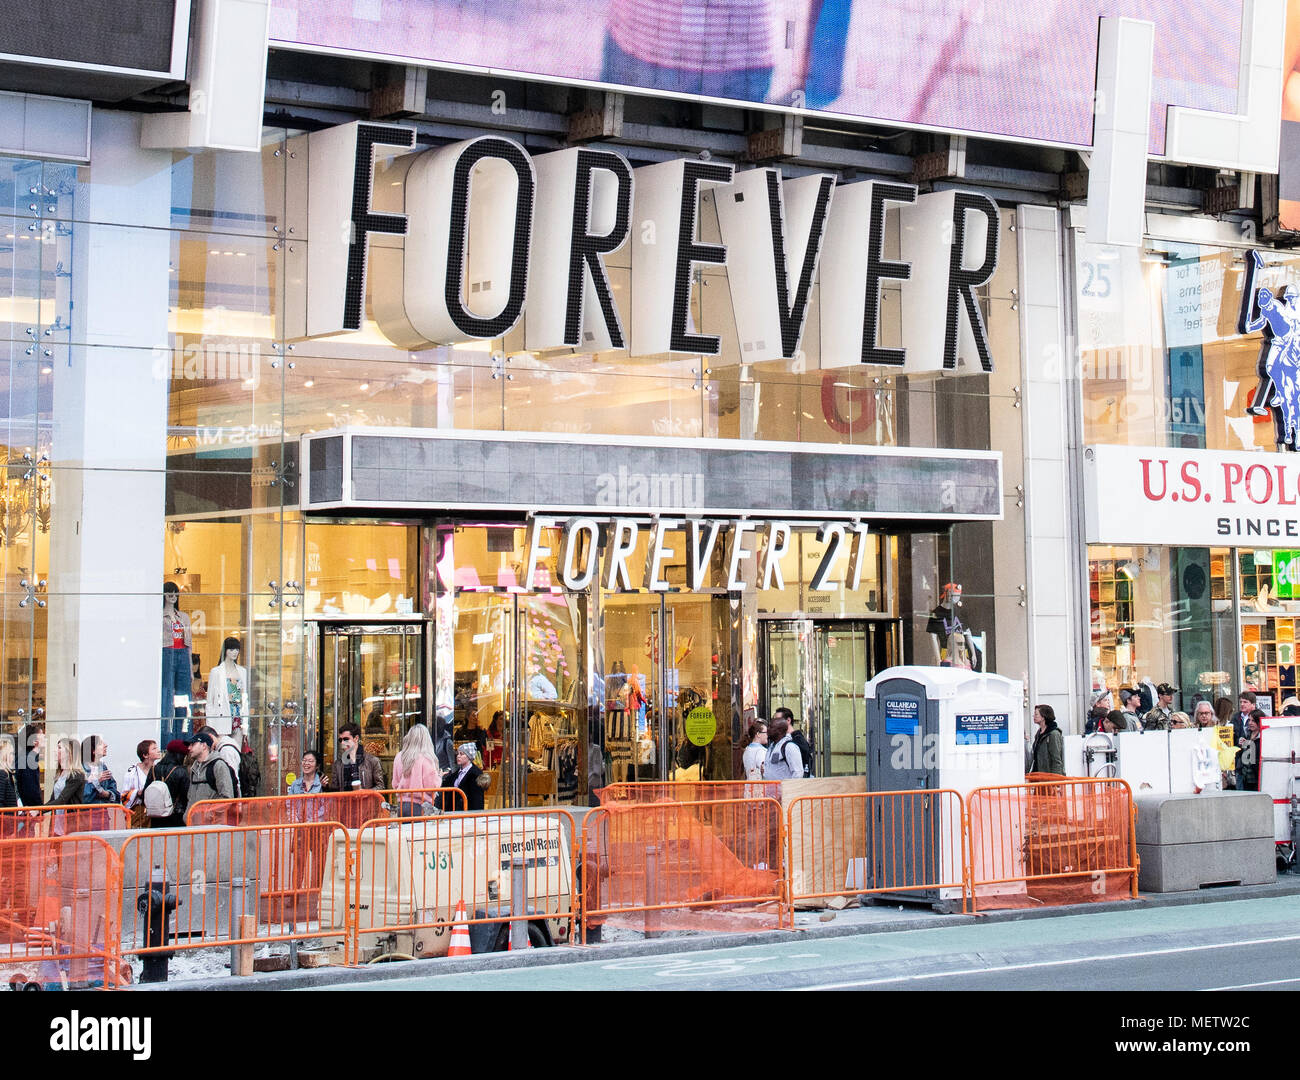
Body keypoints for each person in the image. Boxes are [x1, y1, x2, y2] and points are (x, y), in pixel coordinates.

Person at [391, 724, 443, 816]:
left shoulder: (399, 756)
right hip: (421, 807)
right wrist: (439, 777)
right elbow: (432, 786)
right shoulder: (426, 758)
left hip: (401, 806)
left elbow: (395, 783)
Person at [145, 739, 190, 828]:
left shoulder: (154, 769)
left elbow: (144, 792)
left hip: (155, 816)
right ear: (181, 756)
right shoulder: (181, 771)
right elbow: (186, 795)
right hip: (175, 816)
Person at [329, 723, 385, 791]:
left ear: (356, 738)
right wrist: (325, 786)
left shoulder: (372, 761)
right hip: (345, 800)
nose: (342, 743)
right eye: (340, 740)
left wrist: (365, 793)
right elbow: (334, 790)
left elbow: (380, 786)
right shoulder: (338, 764)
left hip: (365, 800)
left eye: (346, 739)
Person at [187, 729, 236, 805]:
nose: (189, 748)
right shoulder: (194, 768)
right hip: (193, 816)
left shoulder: (218, 765)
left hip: (211, 816)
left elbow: (227, 798)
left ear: (204, 746)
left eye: (193, 744)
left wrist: (209, 813)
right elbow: (190, 797)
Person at [121, 739, 161, 826]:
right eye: (154, 748)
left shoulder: (158, 770)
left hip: (155, 813)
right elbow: (123, 795)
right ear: (145, 755)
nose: (158, 750)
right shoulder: (132, 772)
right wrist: (137, 793)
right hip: (138, 813)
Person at [440, 742, 485, 812]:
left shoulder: (476, 774)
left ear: (469, 756)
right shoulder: (455, 774)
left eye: (462, 754)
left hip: (467, 814)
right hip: (454, 813)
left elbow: (477, 800)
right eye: (458, 753)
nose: (458, 756)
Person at [774, 706, 813, 777]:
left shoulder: (796, 739)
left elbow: (801, 768)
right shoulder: (781, 739)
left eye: (778, 720)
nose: (775, 723)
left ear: (788, 720)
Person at [81, 735, 119, 805]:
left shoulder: (103, 767)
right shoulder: (80, 769)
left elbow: (116, 794)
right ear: (92, 750)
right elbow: (80, 797)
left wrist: (107, 794)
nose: (106, 745)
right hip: (85, 814)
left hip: (102, 813)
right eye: (100, 744)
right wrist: (97, 781)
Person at [1028, 704, 1065, 775]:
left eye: (1036, 714)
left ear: (1043, 717)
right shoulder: (1039, 734)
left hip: (1048, 778)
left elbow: (1056, 759)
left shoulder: (1053, 734)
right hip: (1038, 776)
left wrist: (1055, 781)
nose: (1034, 716)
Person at [764, 717, 803, 781]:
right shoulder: (771, 747)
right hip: (771, 790)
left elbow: (798, 773)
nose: (767, 730)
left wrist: (790, 789)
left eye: (771, 727)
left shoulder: (790, 747)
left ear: (780, 731)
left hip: (785, 790)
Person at [15, 722, 43, 807]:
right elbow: (31, 790)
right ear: (34, 741)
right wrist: (39, 808)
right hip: (30, 812)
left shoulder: (27, 758)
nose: (45, 737)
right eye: (41, 734)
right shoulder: (29, 761)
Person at [1237, 712, 1263, 791]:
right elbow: (1244, 757)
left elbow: (1255, 758)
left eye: (1253, 721)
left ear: (1259, 722)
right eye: (1249, 720)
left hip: (1256, 779)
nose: (1250, 723)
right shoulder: (1247, 734)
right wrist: (1242, 746)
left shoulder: (1263, 737)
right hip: (1245, 778)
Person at [0, 735, 18, 809]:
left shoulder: (7, 774)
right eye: (11, 754)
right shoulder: (2, 774)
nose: (13, 757)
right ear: (4, 755)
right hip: (6, 819)